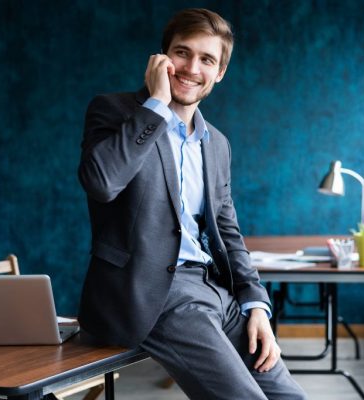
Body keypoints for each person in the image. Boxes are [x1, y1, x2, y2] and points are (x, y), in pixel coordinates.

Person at [77, 8, 307, 400]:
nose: (191, 68)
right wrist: (156, 106)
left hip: (218, 292)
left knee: (291, 397)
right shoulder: (114, 112)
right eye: (182, 53)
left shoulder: (216, 143)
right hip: (155, 294)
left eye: (207, 59)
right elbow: (102, 183)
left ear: (219, 73)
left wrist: (256, 305)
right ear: (161, 57)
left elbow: (227, 229)